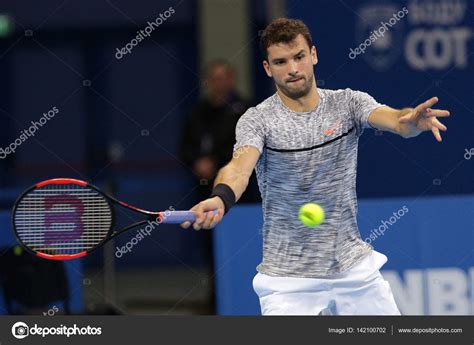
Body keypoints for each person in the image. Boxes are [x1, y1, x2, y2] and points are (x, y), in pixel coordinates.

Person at [181, 18, 450, 315]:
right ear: (268, 68)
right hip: (287, 279)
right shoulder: (257, 120)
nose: (293, 69)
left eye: (299, 57)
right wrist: (220, 197)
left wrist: (411, 120)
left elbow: (396, 121)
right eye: (281, 62)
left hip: (352, 269)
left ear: (313, 55)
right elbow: (239, 167)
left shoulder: (349, 103)